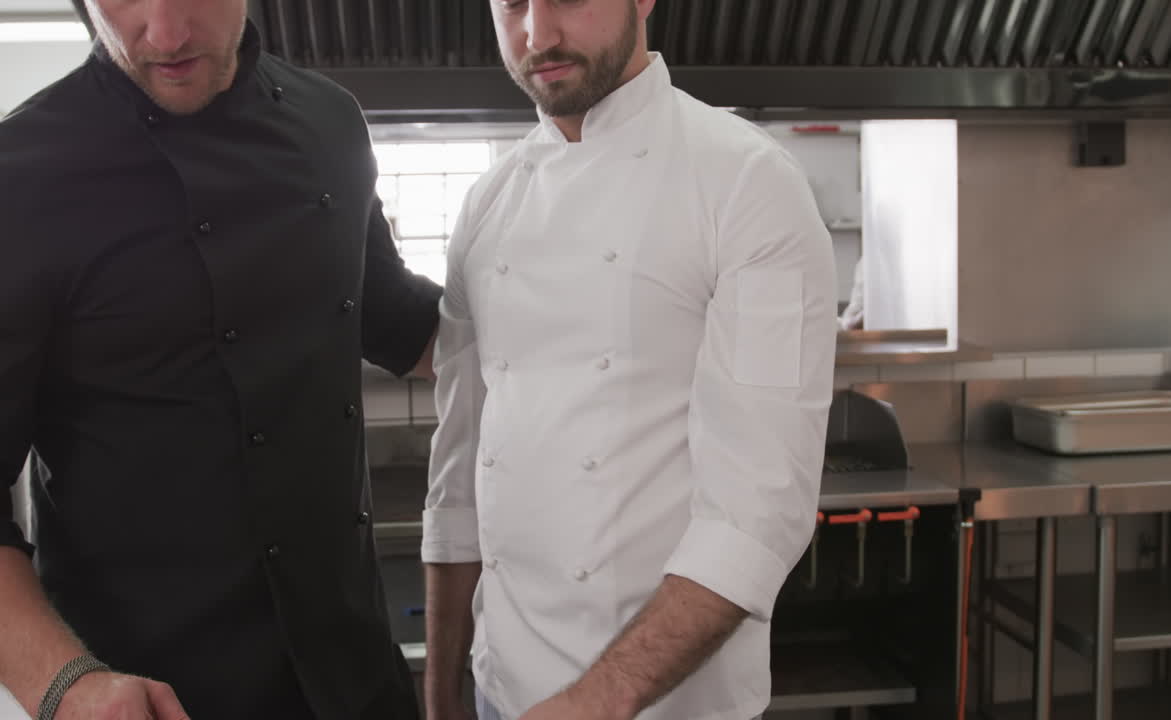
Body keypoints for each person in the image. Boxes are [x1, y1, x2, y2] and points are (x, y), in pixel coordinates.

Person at [0, 1, 441, 718]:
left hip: (354, 675)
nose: (167, 34)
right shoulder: (18, 174)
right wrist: (63, 684)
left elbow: (396, 317)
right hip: (150, 693)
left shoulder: (329, 120)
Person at [421, 1, 837, 719]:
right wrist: (440, 691)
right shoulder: (488, 205)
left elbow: (759, 508)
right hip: (502, 689)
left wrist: (598, 700)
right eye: (513, 3)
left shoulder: (748, 182)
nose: (537, 35)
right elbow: (458, 473)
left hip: (664, 705)